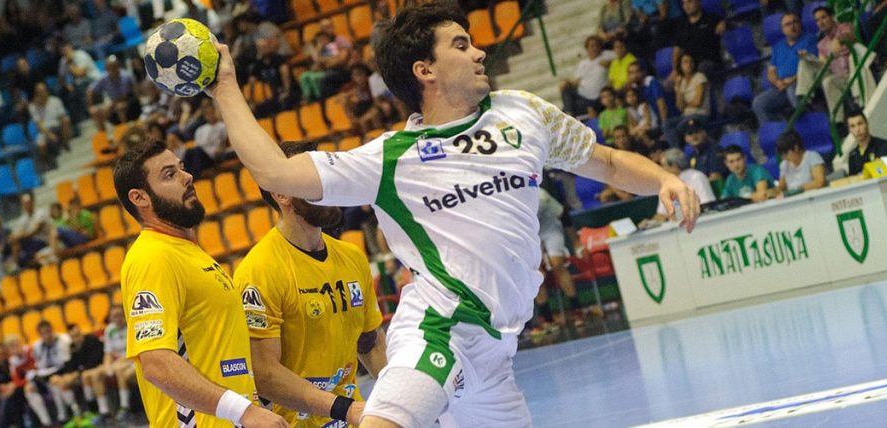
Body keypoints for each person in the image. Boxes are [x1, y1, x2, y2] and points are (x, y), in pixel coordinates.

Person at [209, 1, 700, 426]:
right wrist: (226, 86)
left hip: (498, 350)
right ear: (425, 70)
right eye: (461, 45)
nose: (480, 52)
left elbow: (606, 161)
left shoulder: (523, 113)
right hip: (440, 328)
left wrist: (664, 179)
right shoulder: (391, 158)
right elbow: (275, 172)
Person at [112, 140, 285, 427]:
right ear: (139, 198)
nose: (187, 176)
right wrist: (244, 411)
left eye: (181, 168)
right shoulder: (152, 257)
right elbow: (156, 363)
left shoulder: (186, 251)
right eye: (169, 174)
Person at [235, 141, 388, 427]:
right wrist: (343, 408)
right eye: (312, 178)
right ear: (281, 193)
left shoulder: (352, 257)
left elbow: (370, 344)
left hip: (348, 417)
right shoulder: (259, 271)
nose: (327, 186)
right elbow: (265, 374)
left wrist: (400, 403)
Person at [532, 187, 588, 334]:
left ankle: (577, 310)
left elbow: (564, 216)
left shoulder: (541, 196)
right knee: (536, 272)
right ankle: (547, 318)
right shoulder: (511, 202)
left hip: (551, 229)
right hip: (531, 234)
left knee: (557, 265)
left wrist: (576, 242)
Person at [753, 13, 817, 127]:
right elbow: (771, 71)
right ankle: (779, 131)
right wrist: (777, 82)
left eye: (795, 22)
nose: (792, 26)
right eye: (788, 24)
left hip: (802, 82)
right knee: (759, 102)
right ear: (783, 30)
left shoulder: (809, 39)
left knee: (792, 90)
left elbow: (812, 65)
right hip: (781, 86)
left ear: (800, 24)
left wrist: (792, 80)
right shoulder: (778, 46)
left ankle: (808, 126)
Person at [795, 6, 857, 122]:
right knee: (803, 62)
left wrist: (839, 40)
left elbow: (850, 36)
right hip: (834, 74)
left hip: (850, 72)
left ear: (832, 17)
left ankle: (838, 122)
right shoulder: (821, 44)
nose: (821, 22)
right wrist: (808, 58)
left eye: (823, 17)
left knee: (828, 82)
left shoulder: (844, 27)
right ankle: (804, 97)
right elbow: (823, 65)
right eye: (817, 20)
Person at [48, 323, 105, 422]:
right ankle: (76, 413)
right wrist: (68, 376)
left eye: (78, 335)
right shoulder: (72, 347)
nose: (77, 339)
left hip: (95, 369)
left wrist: (77, 373)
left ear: (81, 332)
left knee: (85, 376)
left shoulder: (91, 339)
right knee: (60, 382)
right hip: (80, 373)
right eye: (73, 337)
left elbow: (96, 360)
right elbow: (71, 366)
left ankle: (95, 409)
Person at [646, 148, 716, 224]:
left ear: (674, 166)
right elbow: (661, 214)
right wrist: (649, 223)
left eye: (663, 165)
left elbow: (707, 205)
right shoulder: (665, 185)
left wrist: (679, 215)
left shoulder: (697, 177)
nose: (661, 169)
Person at [30, 320, 73, 423]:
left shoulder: (62, 340)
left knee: (54, 381)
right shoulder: (37, 346)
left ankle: (65, 414)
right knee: (29, 389)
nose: (46, 335)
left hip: (61, 371)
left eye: (48, 331)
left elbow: (64, 362)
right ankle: (46, 421)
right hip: (44, 374)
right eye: (43, 333)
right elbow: (39, 365)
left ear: (52, 330)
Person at [560, 36, 614, 117]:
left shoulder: (606, 55)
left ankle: (568, 113)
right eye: (591, 46)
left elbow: (618, 57)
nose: (594, 48)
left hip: (597, 97)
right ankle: (569, 113)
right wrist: (566, 82)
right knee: (566, 90)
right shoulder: (583, 64)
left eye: (596, 45)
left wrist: (610, 63)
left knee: (566, 109)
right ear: (587, 48)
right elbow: (576, 82)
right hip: (582, 97)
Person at [668, 0, 725, 76]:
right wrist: (675, 70)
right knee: (669, 82)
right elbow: (677, 49)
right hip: (690, 65)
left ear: (698, 2)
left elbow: (727, 23)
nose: (686, 6)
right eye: (684, 3)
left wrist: (723, 23)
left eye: (689, 2)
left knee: (701, 68)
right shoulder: (682, 25)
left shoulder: (710, 18)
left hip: (710, 62)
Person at [664, 53, 709, 147]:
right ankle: (677, 151)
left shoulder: (699, 77)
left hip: (700, 114)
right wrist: (678, 88)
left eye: (691, 61)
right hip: (685, 115)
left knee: (680, 126)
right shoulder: (681, 81)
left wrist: (685, 104)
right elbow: (680, 107)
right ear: (680, 65)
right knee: (667, 124)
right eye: (685, 62)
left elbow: (698, 102)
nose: (689, 64)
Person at [99, 306, 135, 421]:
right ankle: (104, 411)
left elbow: (134, 351)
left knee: (119, 371)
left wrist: (116, 364)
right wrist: (107, 367)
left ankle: (125, 407)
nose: (118, 318)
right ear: (110, 318)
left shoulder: (131, 325)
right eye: (114, 316)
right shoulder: (109, 329)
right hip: (119, 363)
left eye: (120, 315)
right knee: (97, 374)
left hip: (134, 360)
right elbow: (108, 353)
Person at [87, 56, 139, 133]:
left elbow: (124, 97)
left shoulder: (125, 76)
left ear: (118, 66)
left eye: (114, 67)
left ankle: (126, 132)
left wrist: (110, 105)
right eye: (109, 67)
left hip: (130, 103)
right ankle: (103, 136)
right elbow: (90, 90)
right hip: (113, 104)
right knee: (96, 112)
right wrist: (91, 106)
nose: (112, 70)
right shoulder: (104, 78)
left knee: (120, 107)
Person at [27, 82, 71, 168]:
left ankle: (65, 144)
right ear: (36, 94)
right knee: (40, 144)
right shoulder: (33, 106)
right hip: (45, 131)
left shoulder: (55, 100)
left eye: (44, 91)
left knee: (66, 120)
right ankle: (47, 162)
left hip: (57, 127)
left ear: (47, 91)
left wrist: (60, 128)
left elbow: (62, 117)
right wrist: (49, 134)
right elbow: (39, 124)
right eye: (40, 92)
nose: (42, 93)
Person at [9, 193, 55, 268]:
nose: (27, 205)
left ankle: (17, 265)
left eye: (28, 203)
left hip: (44, 241)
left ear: (32, 202)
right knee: (14, 242)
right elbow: (17, 232)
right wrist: (14, 236)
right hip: (32, 243)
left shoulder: (41, 213)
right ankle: (16, 265)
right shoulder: (23, 219)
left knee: (18, 241)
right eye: (24, 204)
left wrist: (19, 236)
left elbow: (34, 231)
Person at [844, 110, 886, 176]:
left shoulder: (883, 145)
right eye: (852, 126)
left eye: (860, 124)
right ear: (849, 130)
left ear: (867, 124)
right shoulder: (852, 155)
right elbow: (853, 179)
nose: (857, 129)